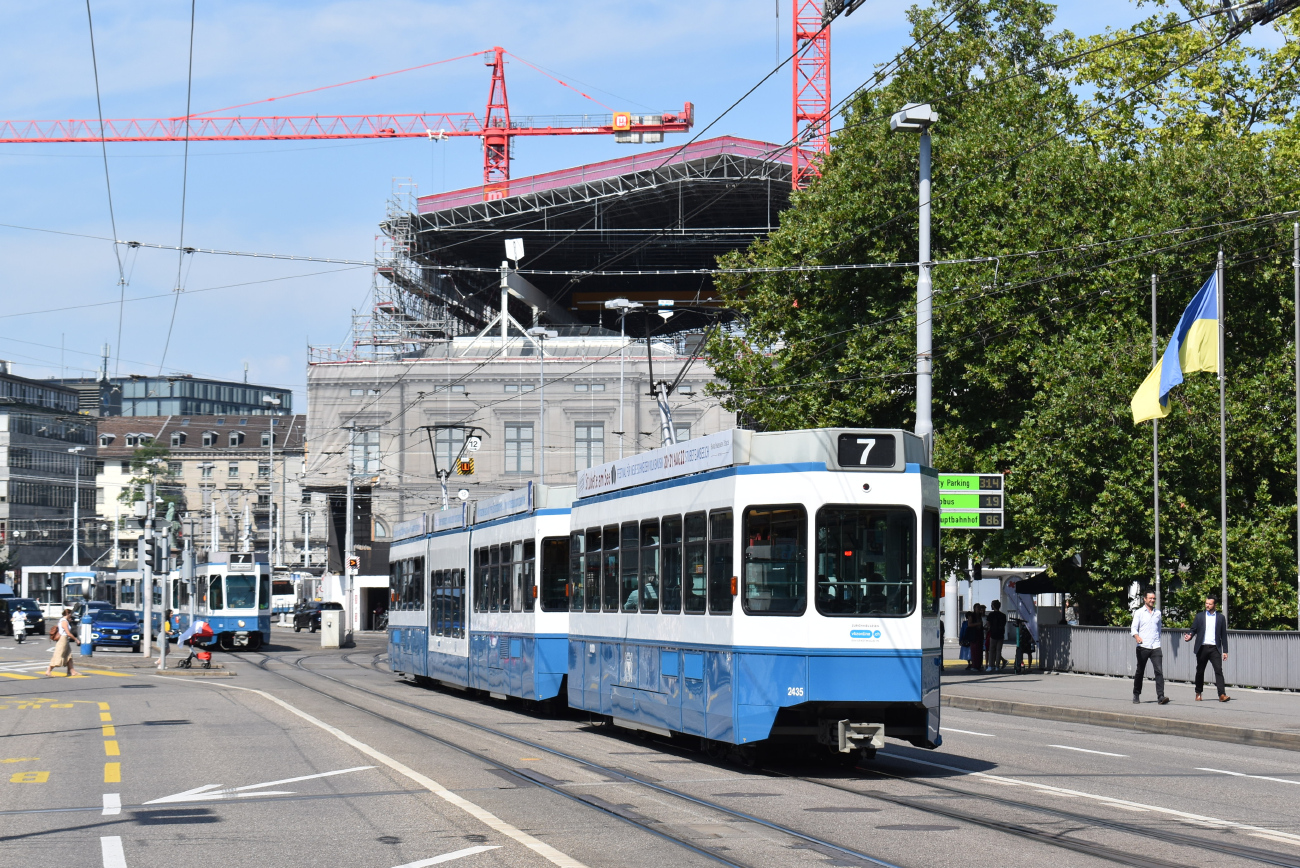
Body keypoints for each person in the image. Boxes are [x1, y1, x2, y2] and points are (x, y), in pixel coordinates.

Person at [1183, 595, 1230, 702]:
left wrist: (1225, 651)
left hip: (1215, 648)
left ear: (1215, 605)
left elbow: (1224, 635)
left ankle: (1222, 694)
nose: (1207, 605)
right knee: (1200, 671)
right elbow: (1193, 629)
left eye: (1210, 604)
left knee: (1218, 670)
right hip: (1202, 647)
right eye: (1206, 603)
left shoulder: (1221, 618)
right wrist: (1189, 636)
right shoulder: (1200, 616)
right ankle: (1198, 693)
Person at [1130, 591, 1168, 704]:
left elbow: (1159, 629)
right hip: (1143, 646)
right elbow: (1133, 628)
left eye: (1154, 598)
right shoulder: (1139, 613)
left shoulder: (1158, 613)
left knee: (1159, 671)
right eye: (1150, 598)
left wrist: (1158, 641)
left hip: (1155, 646)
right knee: (1140, 671)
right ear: (1145, 599)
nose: (1152, 600)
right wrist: (1137, 637)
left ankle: (1161, 696)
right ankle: (1136, 694)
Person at [44, 609, 80, 678]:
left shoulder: (65, 621)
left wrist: (69, 621)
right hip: (63, 640)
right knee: (58, 655)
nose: (71, 616)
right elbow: (68, 633)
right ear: (68, 614)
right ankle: (48, 671)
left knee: (69, 655)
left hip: (65, 640)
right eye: (70, 614)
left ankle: (72, 671)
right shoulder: (64, 621)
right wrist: (76, 639)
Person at [985, 600, 1008, 672]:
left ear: (993, 606)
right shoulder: (1003, 615)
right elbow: (1004, 624)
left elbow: (988, 624)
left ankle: (991, 665)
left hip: (993, 634)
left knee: (991, 651)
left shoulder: (991, 615)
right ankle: (997, 666)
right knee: (998, 651)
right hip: (1000, 634)